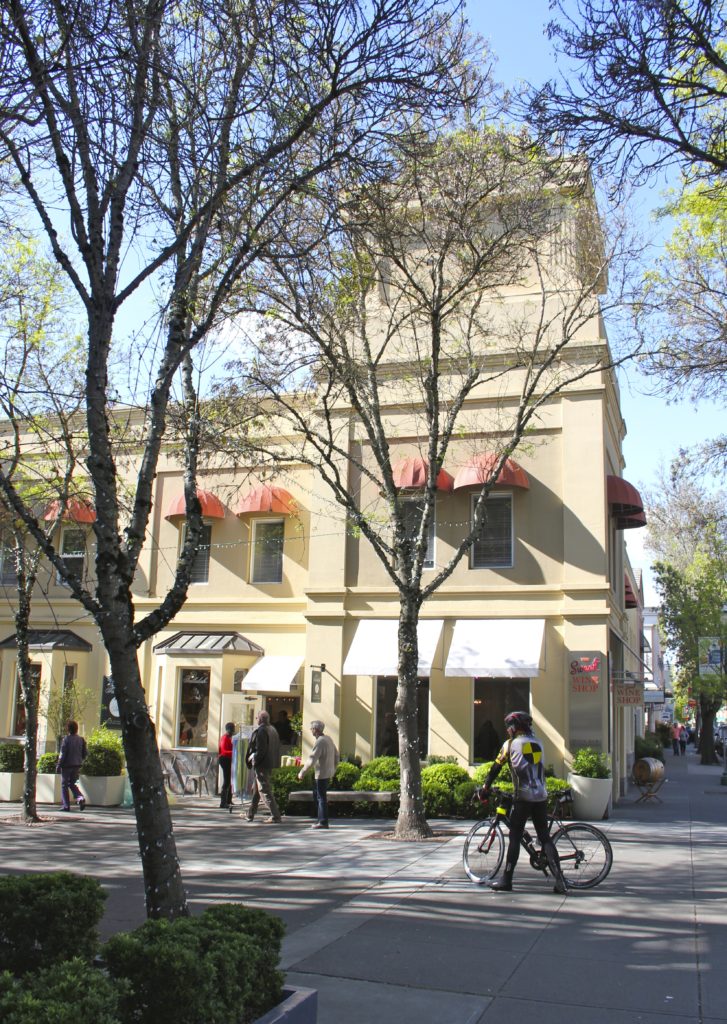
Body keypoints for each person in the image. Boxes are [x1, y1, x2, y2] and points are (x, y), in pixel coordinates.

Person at [479, 710, 567, 894]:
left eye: (509, 727)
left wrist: (486, 788)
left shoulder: (511, 744)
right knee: (544, 837)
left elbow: (496, 767)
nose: (508, 730)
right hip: (541, 796)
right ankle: (560, 879)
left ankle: (506, 879)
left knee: (515, 836)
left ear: (515, 727)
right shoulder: (538, 743)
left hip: (524, 797)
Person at [298, 720, 339, 829]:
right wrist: (334, 768)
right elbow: (337, 755)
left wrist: (302, 772)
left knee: (321, 798)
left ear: (315, 730)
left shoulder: (320, 741)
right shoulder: (329, 739)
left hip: (321, 774)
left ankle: (322, 821)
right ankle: (320, 819)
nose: (311, 730)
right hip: (328, 772)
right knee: (319, 796)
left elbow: (312, 759)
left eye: (311, 729)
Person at [244, 710, 282, 823]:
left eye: (256, 718)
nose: (256, 720)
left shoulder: (261, 731)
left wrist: (254, 759)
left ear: (260, 719)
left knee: (264, 790)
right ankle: (250, 814)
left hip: (262, 764)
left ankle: (276, 815)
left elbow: (261, 750)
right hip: (270, 763)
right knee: (257, 790)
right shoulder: (273, 729)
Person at [56, 720, 87, 812]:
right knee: (72, 783)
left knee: (64, 785)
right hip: (77, 764)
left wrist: (59, 764)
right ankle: (80, 797)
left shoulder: (66, 739)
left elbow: (63, 753)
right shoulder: (81, 739)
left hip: (67, 765)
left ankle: (66, 806)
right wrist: (80, 760)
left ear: (68, 729)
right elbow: (85, 753)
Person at [218, 721, 235, 810]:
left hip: (229, 760)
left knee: (231, 780)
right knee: (227, 781)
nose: (233, 731)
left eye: (233, 729)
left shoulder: (230, 737)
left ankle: (229, 800)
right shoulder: (224, 738)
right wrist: (235, 752)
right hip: (224, 760)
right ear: (228, 729)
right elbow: (224, 751)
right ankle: (223, 802)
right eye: (231, 729)